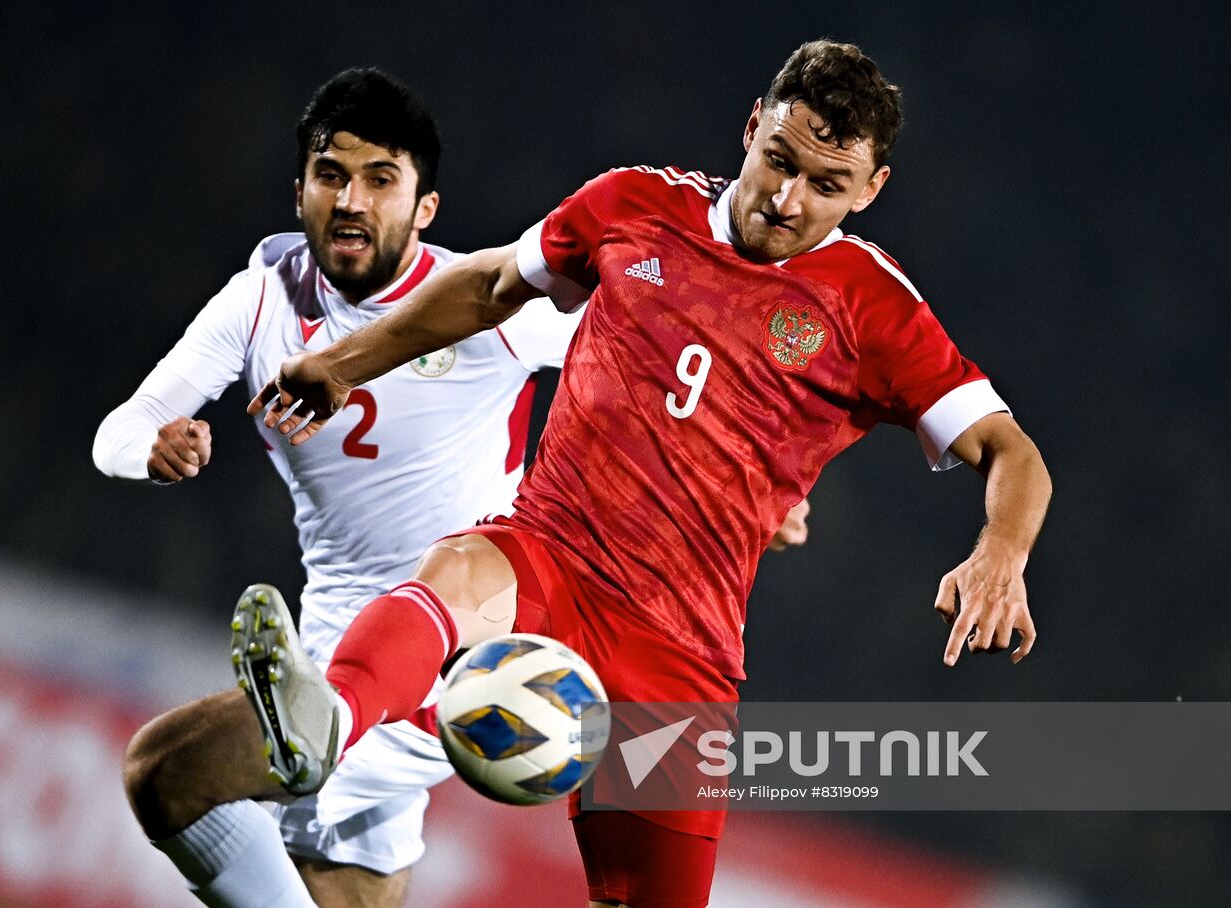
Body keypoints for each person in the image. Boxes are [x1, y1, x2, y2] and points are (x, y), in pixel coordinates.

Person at [244, 39, 1051, 907]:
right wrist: (345, 362)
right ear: (750, 129)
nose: (786, 199)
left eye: (825, 185)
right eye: (778, 160)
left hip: (681, 649)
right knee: (457, 575)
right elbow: (488, 287)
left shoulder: (874, 305)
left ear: (870, 190)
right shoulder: (636, 204)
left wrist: (1000, 551)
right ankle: (324, 719)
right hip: (553, 552)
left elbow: (1014, 453)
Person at [93, 69, 590, 908]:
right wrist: (153, 449)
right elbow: (119, 430)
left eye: (381, 180)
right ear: (300, 193)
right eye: (332, 176)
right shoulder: (260, 304)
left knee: (165, 773)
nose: (352, 201)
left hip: (444, 660)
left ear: (424, 207)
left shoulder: (489, 304)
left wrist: (759, 487)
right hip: (326, 637)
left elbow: (646, 360)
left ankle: (316, 728)